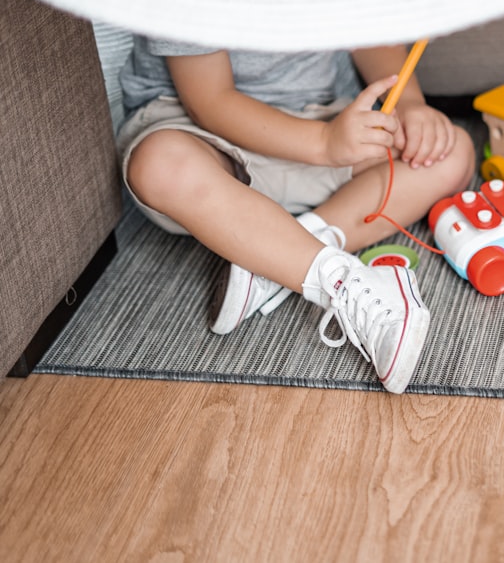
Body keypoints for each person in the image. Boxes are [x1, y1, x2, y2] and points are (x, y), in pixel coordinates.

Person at [117, 38, 476, 394]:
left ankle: (277, 257)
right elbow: (210, 100)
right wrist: (323, 142)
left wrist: (411, 106)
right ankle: (337, 278)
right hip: (202, 132)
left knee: (451, 152)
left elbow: (367, 32)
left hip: (321, 116)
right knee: (159, 166)